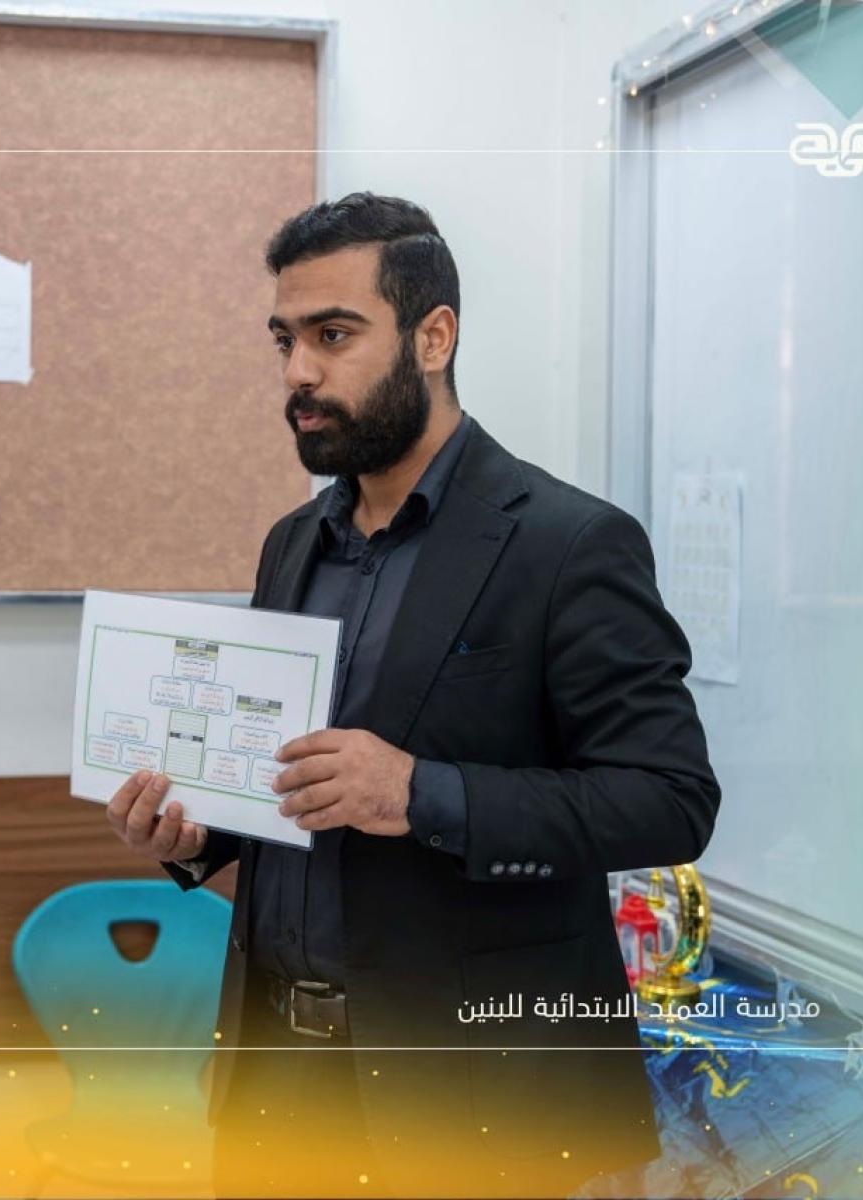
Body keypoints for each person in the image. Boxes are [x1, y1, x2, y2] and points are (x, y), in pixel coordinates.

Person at [105, 191, 720, 1198]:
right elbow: (289, 778)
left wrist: (420, 792)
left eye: (333, 335)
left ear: (434, 337)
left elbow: (670, 799)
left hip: (484, 1103)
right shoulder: (293, 544)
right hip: (276, 1084)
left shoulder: (568, 543)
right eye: (285, 340)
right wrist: (197, 831)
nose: (299, 373)